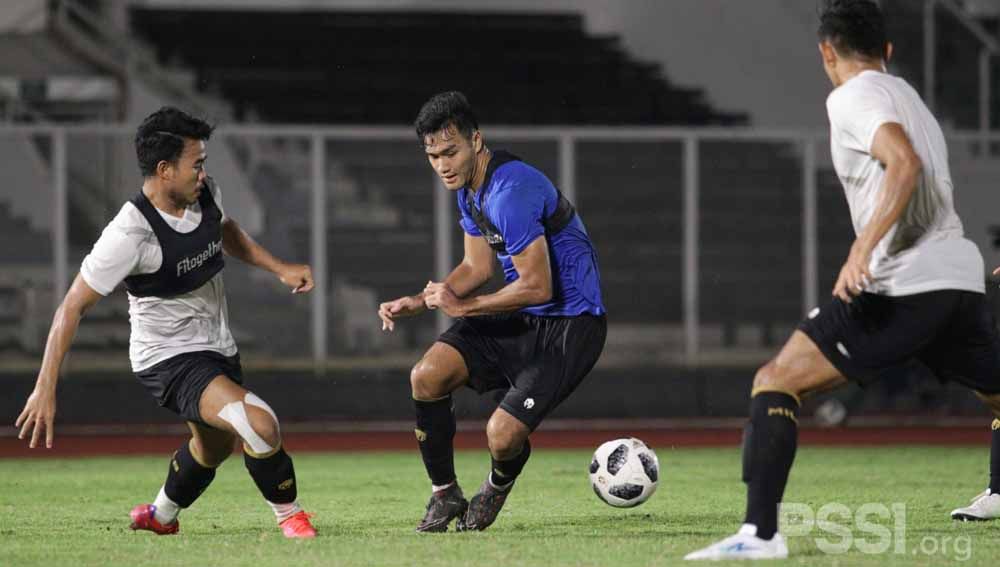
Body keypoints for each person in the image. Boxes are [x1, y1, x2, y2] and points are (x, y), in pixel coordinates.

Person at [685, 0, 1000, 560]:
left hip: (904, 282)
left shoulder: (851, 96)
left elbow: (904, 163)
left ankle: (759, 536)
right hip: (959, 279)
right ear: (888, 51)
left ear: (826, 51)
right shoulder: (912, 98)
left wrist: (862, 247)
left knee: (777, 380)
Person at [14, 107, 318, 539]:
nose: (203, 172)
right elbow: (71, 307)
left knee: (212, 448)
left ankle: (160, 515)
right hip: (169, 359)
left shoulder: (204, 192)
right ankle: (291, 516)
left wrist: (279, 267)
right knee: (259, 423)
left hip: (217, 347)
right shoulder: (129, 234)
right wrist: (45, 387)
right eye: (196, 163)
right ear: (164, 169)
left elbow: (223, 230)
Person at [378, 91, 607, 532]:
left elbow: (540, 285)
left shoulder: (509, 193)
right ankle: (444, 495)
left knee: (501, 436)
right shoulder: (469, 188)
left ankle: (496, 486)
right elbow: (476, 267)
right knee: (426, 375)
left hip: (572, 324)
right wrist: (422, 299)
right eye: (433, 155)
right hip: (525, 317)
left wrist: (463, 306)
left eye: (451, 151)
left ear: (476, 141)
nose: (442, 164)